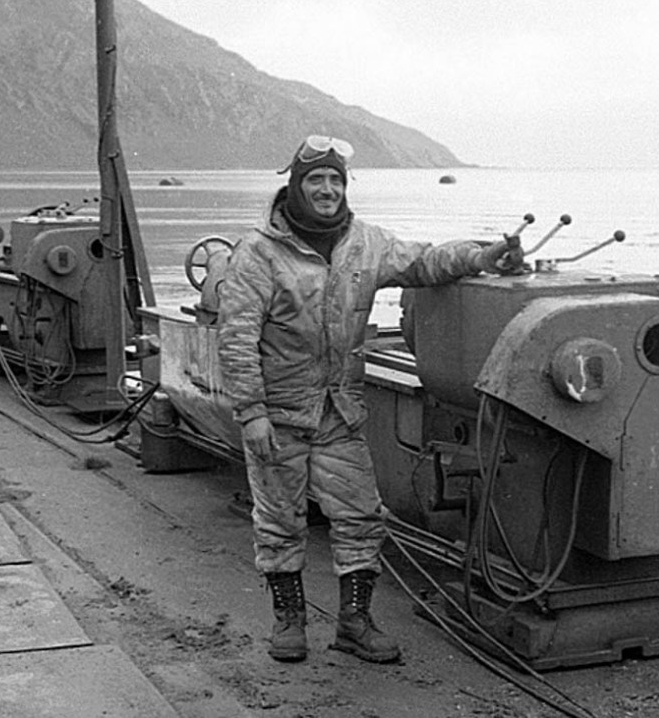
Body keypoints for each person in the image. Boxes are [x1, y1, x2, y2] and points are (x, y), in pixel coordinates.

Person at [216, 135, 523, 664]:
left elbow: (424, 263)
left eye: (336, 180)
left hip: (340, 412)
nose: (328, 189)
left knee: (360, 518)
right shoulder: (258, 254)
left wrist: (483, 256)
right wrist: (252, 414)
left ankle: (354, 624)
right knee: (279, 521)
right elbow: (236, 337)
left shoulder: (366, 244)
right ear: (295, 186)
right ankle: (289, 622)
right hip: (279, 416)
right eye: (317, 180)